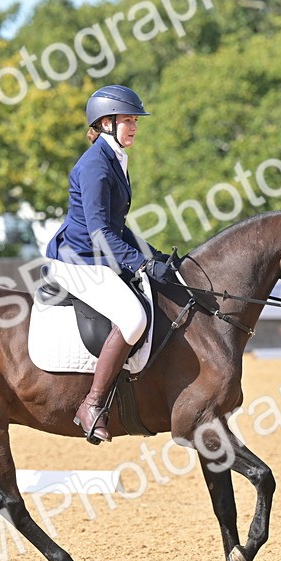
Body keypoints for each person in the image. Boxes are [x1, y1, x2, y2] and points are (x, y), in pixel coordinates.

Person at [44, 84, 179, 443]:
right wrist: (141, 265)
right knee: (133, 318)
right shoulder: (95, 166)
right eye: (128, 120)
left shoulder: (115, 158)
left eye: (135, 120)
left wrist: (153, 254)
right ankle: (92, 405)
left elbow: (117, 225)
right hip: (78, 262)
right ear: (106, 123)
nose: (134, 127)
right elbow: (101, 231)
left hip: (97, 256)